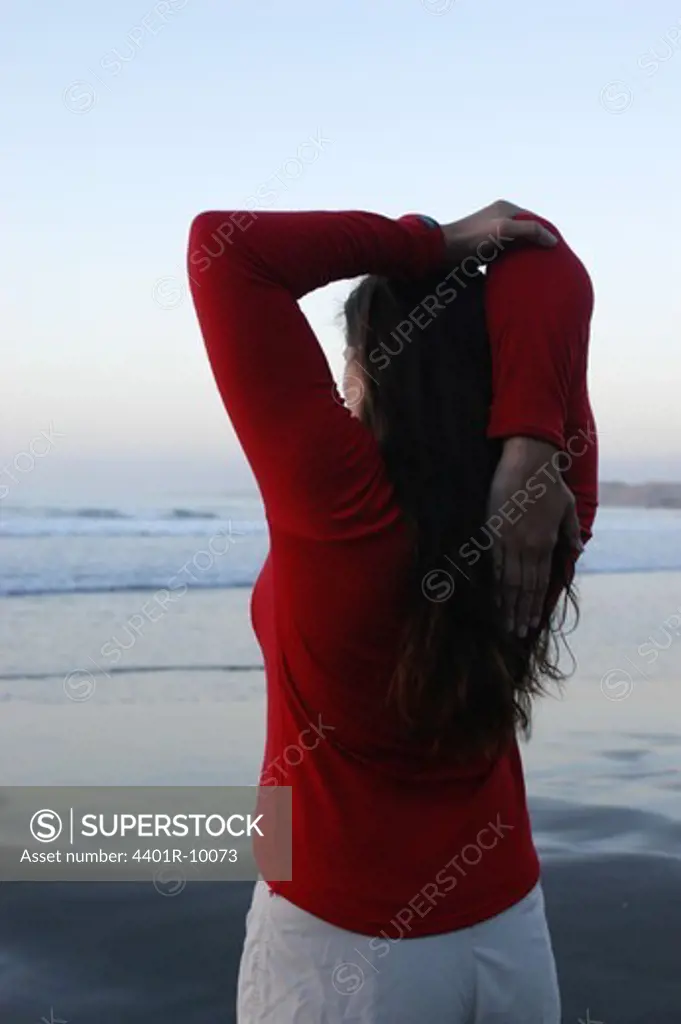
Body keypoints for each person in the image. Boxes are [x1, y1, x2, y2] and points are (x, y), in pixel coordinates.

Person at [187, 200, 598, 1023]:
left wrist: (430, 242)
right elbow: (549, 261)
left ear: (368, 366)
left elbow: (222, 249)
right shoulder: (546, 508)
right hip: (507, 934)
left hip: (333, 940)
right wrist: (527, 436)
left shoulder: (334, 506)